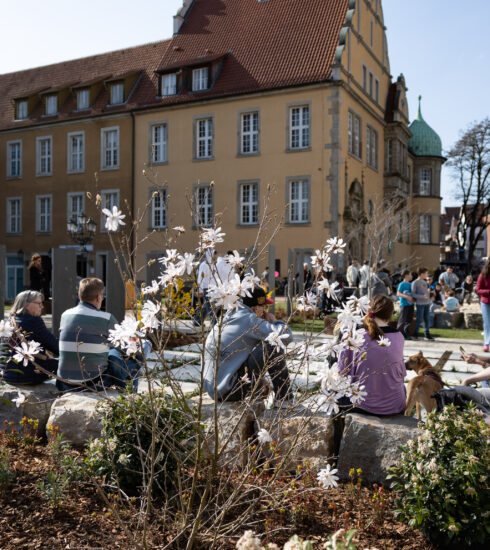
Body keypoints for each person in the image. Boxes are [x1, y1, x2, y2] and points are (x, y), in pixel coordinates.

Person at [203, 286, 293, 402]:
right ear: (256, 307)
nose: (265, 311)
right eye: (264, 307)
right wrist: (274, 321)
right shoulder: (248, 320)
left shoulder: (230, 315)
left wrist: (259, 382)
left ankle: (261, 391)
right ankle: (285, 399)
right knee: (274, 342)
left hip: (216, 390)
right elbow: (287, 334)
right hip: (230, 391)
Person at [57, 278, 143, 392]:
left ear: (79, 295)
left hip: (64, 383)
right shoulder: (106, 318)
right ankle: (131, 393)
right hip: (94, 383)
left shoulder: (65, 315)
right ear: (98, 297)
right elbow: (126, 348)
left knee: (110, 350)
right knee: (137, 353)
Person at [337, 295, 406, 415]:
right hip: (394, 405)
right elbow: (401, 373)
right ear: (390, 314)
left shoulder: (354, 335)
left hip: (362, 404)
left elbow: (342, 371)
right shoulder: (399, 337)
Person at [1, 290, 58, 384]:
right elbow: (54, 346)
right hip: (25, 375)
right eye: (39, 303)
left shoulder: (10, 320)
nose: (42, 307)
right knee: (67, 366)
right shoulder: (33, 320)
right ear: (26, 304)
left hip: (6, 374)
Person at [412, 267, 434, 341]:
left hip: (427, 303)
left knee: (427, 319)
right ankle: (415, 334)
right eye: (426, 273)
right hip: (420, 304)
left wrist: (429, 293)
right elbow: (413, 294)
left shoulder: (425, 282)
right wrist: (421, 296)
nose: (427, 275)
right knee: (419, 319)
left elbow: (425, 292)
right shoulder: (415, 282)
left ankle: (427, 334)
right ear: (422, 274)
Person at [476, 259, 490, 352]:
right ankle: (487, 343)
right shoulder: (483, 275)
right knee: (487, 323)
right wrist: (488, 292)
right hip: (486, 302)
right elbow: (478, 290)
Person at [396, 270, 414, 339]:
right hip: (404, 305)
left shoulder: (411, 284)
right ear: (406, 275)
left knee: (409, 320)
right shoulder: (402, 284)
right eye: (410, 274)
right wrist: (407, 297)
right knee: (402, 320)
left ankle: (406, 334)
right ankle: (398, 335)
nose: (411, 276)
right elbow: (398, 293)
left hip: (411, 305)